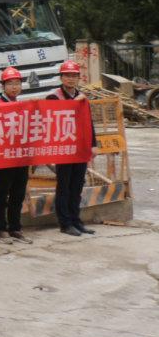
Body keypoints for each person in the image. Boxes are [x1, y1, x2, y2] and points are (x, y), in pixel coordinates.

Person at [52, 60, 97, 237]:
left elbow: (88, 123)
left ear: (79, 77)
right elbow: (57, 117)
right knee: (64, 186)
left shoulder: (82, 97)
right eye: (67, 75)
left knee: (77, 185)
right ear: (61, 77)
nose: (71, 79)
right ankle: (65, 223)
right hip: (63, 149)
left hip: (80, 148)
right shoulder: (54, 97)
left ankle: (76, 220)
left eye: (74, 75)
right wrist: (75, 102)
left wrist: (93, 144)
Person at [0, 66, 33, 245]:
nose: (14, 87)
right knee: (2, 193)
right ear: (3, 86)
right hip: (2, 158)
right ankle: (0, 229)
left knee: (18, 193)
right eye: (10, 83)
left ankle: (15, 228)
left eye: (17, 83)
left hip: (20, 156)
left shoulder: (22, 106)